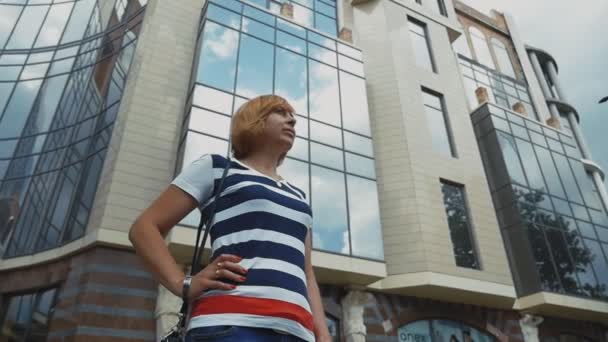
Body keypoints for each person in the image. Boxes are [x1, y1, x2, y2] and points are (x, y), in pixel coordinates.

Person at [129, 95, 331, 341]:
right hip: (229, 323)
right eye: (280, 112)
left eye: (293, 118)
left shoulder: (298, 195)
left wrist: (322, 333)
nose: (292, 120)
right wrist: (183, 284)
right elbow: (144, 227)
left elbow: (306, 271)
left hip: (298, 331)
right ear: (254, 119)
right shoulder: (217, 167)